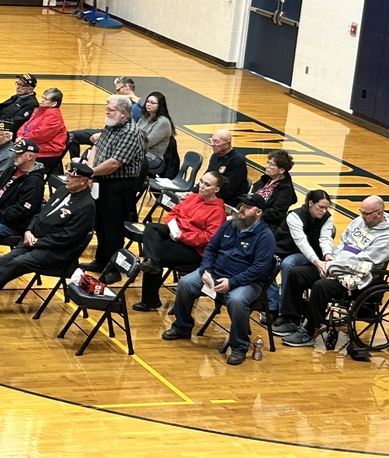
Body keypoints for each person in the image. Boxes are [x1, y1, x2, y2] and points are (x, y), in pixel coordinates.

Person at [161, 195, 276, 366]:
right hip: (215, 272)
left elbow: (259, 269)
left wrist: (232, 283)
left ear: (258, 212)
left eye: (247, 207)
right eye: (242, 205)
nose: (241, 209)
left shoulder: (265, 237)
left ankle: (239, 346)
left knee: (237, 300)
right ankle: (182, 326)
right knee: (185, 283)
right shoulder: (230, 224)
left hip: (246, 281)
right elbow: (211, 249)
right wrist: (205, 270)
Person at [277, 196, 389, 349]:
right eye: (361, 212)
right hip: (336, 264)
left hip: (358, 276)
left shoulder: (388, 236)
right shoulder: (360, 221)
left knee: (321, 286)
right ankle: (291, 319)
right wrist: (330, 258)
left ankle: (308, 332)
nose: (362, 216)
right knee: (297, 273)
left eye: (366, 214)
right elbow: (343, 241)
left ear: (379, 213)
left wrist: (334, 267)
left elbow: (364, 261)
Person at [0, 160, 97, 306]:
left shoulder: (87, 206)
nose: (67, 178)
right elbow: (39, 214)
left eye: (72, 177)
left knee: (16, 263)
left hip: (55, 252)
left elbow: (68, 237)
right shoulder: (62, 190)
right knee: (5, 259)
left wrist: (37, 242)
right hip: (33, 239)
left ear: (83, 181)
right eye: (68, 174)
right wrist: (28, 231)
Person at [133, 172, 229, 311]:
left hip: (194, 249)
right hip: (176, 232)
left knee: (157, 253)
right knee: (151, 228)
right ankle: (151, 261)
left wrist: (182, 236)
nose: (201, 186)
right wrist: (172, 227)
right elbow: (174, 212)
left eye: (206, 184)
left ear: (216, 189)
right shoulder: (193, 197)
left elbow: (208, 238)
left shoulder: (217, 211)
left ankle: (150, 300)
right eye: (201, 181)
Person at [81, 94, 146, 283]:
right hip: (102, 180)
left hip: (119, 186)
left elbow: (114, 163)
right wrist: (89, 171)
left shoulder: (130, 133)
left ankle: (114, 269)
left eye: (110, 109)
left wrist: (91, 173)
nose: (107, 112)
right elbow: (96, 148)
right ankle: (101, 260)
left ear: (123, 114)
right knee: (99, 223)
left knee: (113, 228)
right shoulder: (111, 125)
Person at [265, 189, 335, 313]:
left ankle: (285, 307)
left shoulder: (327, 218)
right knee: (266, 261)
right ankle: (272, 304)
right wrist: (316, 261)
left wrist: (327, 254)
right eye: (321, 207)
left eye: (327, 208)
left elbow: (325, 238)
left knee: (288, 264)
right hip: (285, 248)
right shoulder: (294, 216)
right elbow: (301, 241)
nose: (324, 211)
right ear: (311, 203)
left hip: (306, 252)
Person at [0, 138, 46, 258]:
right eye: (15, 152)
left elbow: (21, 211)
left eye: (19, 154)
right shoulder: (12, 169)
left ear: (30, 156)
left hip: (12, 223)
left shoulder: (34, 182)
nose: (15, 156)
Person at [65, 76, 142, 158]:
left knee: (75, 139)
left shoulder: (135, 108)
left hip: (112, 136)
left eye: (118, 90)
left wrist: (101, 134)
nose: (116, 93)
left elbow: (123, 128)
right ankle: (75, 163)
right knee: (72, 135)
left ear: (126, 87)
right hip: (107, 131)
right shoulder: (125, 102)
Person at [17, 87, 68, 176]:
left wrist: (23, 140)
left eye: (45, 99)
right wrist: (20, 135)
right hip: (32, 144)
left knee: (13, 158)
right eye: (43, 97)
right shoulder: (40, 110)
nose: (42, 100)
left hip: (47, 152)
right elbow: (26, 125)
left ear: (54, 103)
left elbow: (40, 135)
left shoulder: (54, 116)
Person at [0, 74, 39, 145]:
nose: (18, 87)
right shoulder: (17, 97)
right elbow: (1, 109)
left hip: (4, 134)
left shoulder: (31, 104)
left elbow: (15, 122)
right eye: (17, 84)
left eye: (22, 85)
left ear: (30, 89)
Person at [249, 149, 297, 230]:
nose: (266, 166)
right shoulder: (266, 179)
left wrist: (252, 213)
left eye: (271, 164)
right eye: (268, 163)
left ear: (281, 170)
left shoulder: (286, 190)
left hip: (266, 225)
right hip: (251, 216)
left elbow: (275, 214)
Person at [136, 91, 174, 174]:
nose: (148, 104)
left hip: (152, 157)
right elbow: (134, 133)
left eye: (153, 103)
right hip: (138, 152)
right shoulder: (145, 117)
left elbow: (147, 143)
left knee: (123, 159)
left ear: (159, 106)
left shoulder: (163, 122)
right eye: (148, 101)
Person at [206, 129, 248, 202]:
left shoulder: (237, 161)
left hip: (227, 201)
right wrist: (193, 191)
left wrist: (206, 195)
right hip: (211, 194)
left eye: (216, 142)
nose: (212, 144)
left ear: (227, 144)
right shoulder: (215, 156)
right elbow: (206, 176)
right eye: (212, 141)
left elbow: (229, 191)